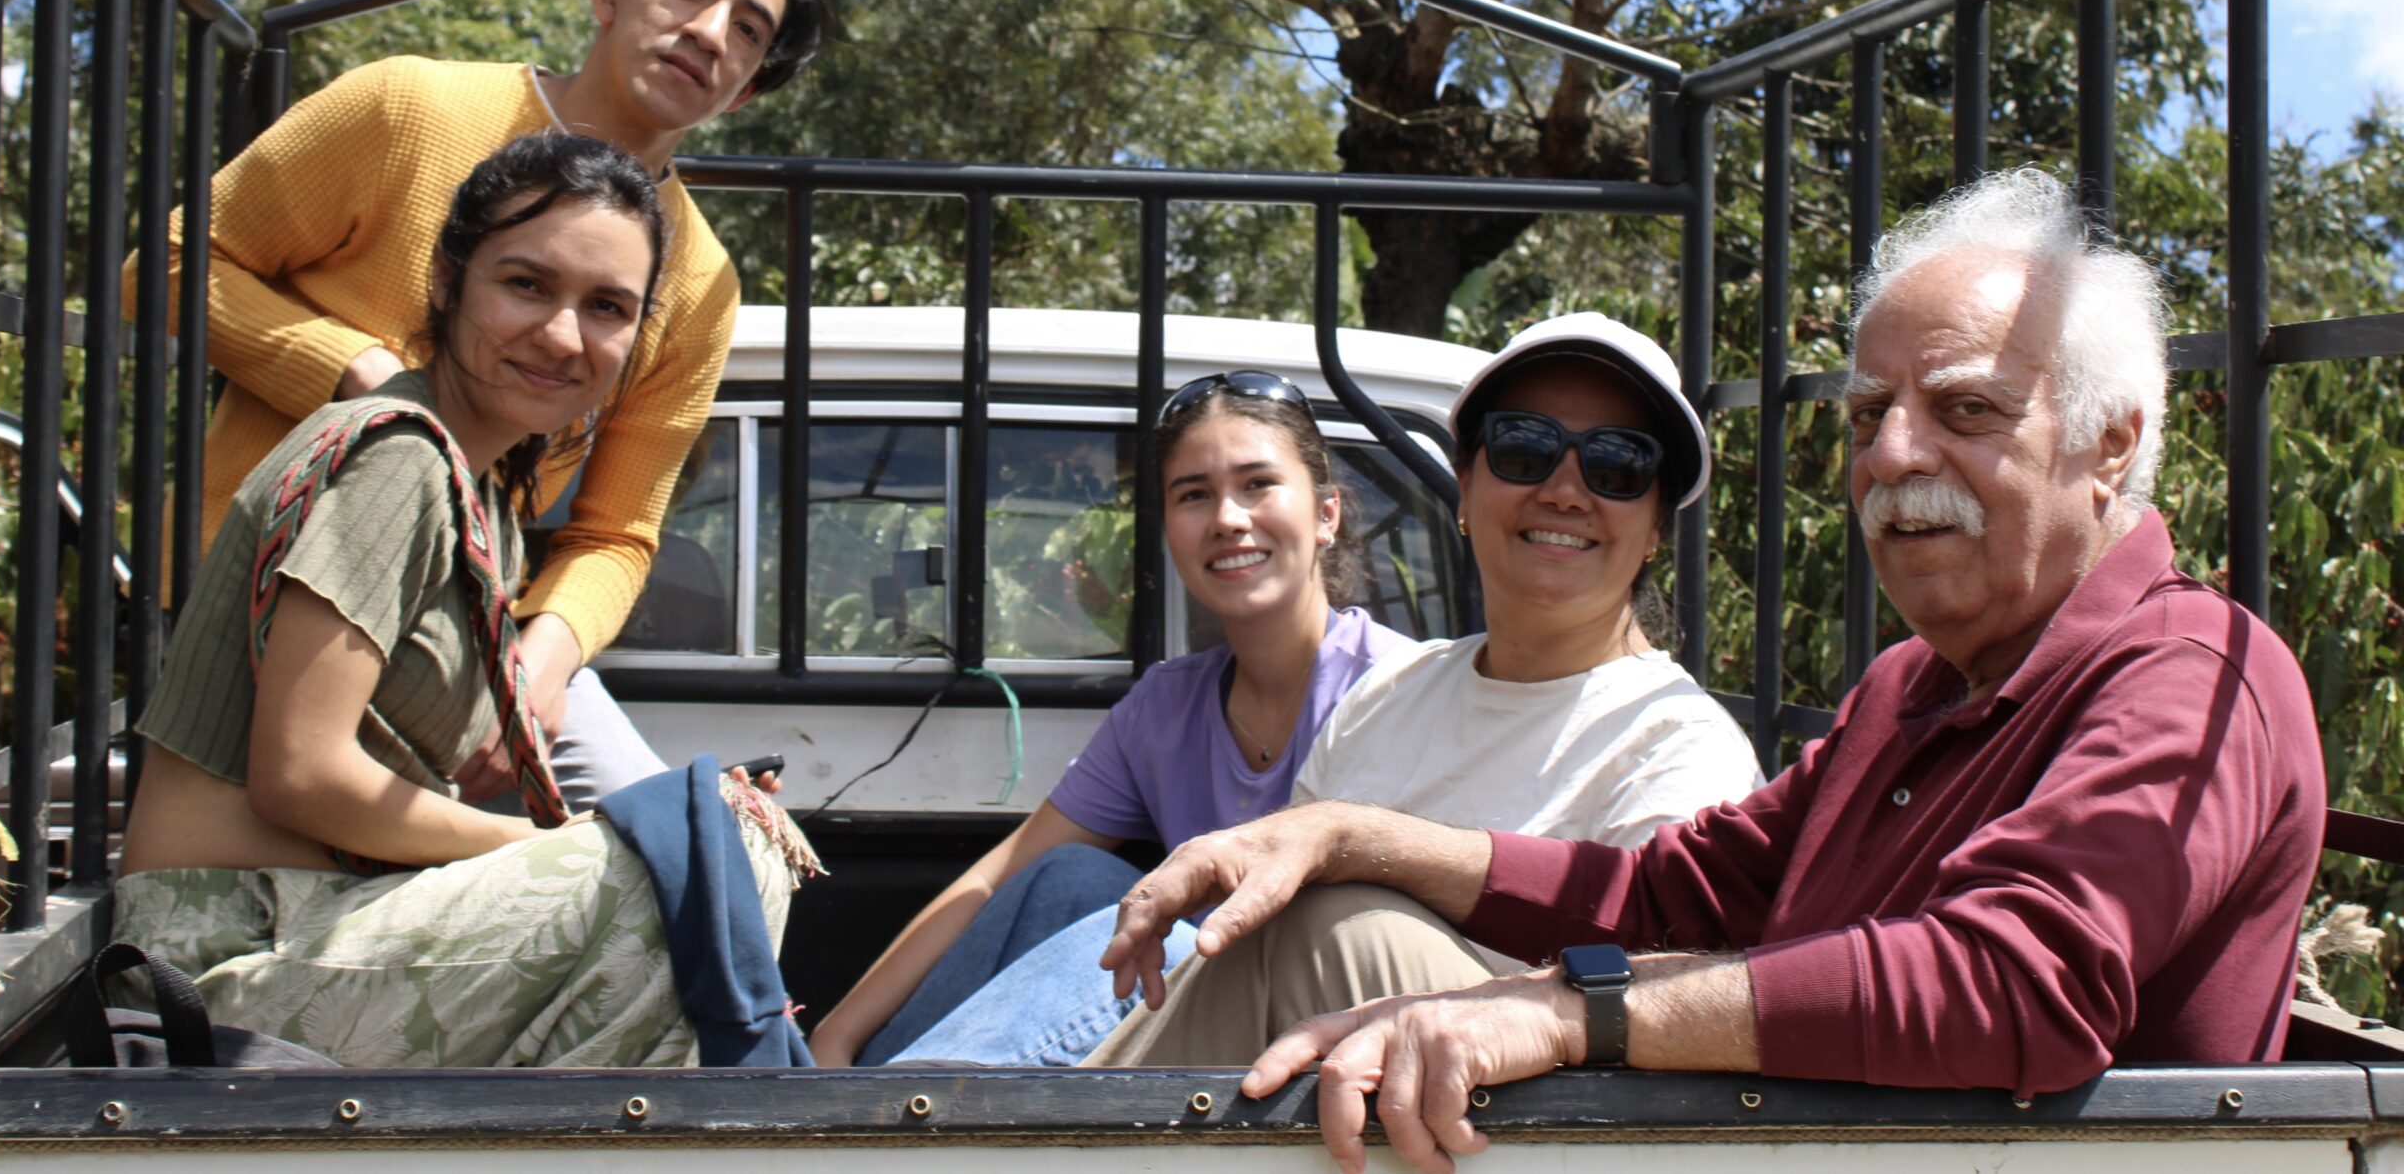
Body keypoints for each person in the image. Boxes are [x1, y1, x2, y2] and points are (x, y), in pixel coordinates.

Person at [1092, 170, 2325, 1174]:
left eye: (1963, 410)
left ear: (2109, 447)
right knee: (1329, 935)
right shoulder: (1911, 688)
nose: (1893, 455)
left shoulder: (2191, 674)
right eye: (1866, 415)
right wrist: (1346, 834)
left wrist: (1568, 1015)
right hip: (1774, 1143)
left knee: (1356, 964)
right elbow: (1669, 894)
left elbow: (2014, 983)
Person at [116, 133, 812, 1068]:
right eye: (526, 285)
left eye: (606, 307)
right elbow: (302, 773)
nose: (562, 335)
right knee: (713, 857)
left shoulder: (482, 496)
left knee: (714, 847)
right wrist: (546, 842)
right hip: (228, 954)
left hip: (337, 916)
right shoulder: (395, 458)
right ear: (447, 280)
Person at [136, 0, 833, 805]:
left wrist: (545, 658)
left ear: (746, 88)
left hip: (470, 636)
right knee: (321, 833)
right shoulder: (407, 108)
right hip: (254, 585)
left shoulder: (699, 282)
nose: (708, 33)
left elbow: (618, 532)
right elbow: (169, 265)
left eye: (747, 30)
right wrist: (358, 375)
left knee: (663, 852)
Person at [1086, 311, 1760, 1068]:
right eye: (1525, 448)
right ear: (1465, 488)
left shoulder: (1679, 748)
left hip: (1522, 1110)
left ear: (1657, 524)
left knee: (1336, 920)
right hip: (1338, 1099)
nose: (1566, 490)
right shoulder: (1389, 693)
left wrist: (1353, 845)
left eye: (1618, 464)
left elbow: (1658, 1024)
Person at [808, 370, 1419, 1067]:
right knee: (1071, 878)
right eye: (1194, 494)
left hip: (1319, 1046)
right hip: (1185, 1037)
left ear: (1326, 514)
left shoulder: (1400, 688)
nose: (1228, 518)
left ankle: (882, 1116)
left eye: (1258, 484)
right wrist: (836, 1035)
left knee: (1175, 948)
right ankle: (855, 1093)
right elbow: (994, 879)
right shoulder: (1165, 708)